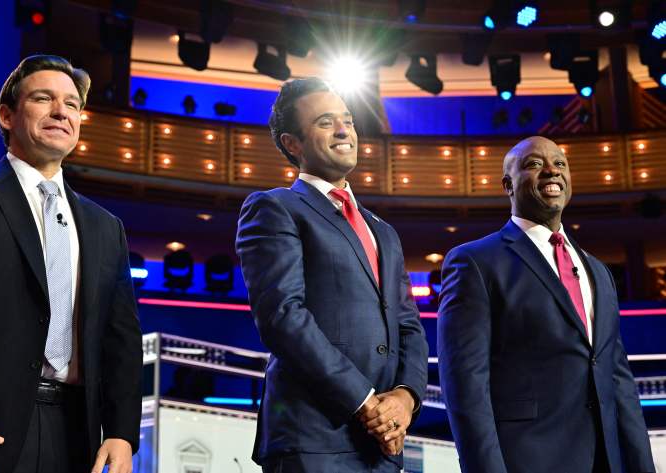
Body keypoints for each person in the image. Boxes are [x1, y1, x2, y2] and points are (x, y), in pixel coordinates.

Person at [0, 55, 142, 473]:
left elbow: (121, 341)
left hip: (74, 435)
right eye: (44, 98)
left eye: (72, 104)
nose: (61, 112)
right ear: (7, 115)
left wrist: (121, 432)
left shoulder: (104, 226)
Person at [235, 77, 428, 472]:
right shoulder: (275, 208)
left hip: (383, 445)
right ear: (293, 143)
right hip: (313, 440)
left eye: (348, 120)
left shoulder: (383, 231)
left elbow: (409, 326)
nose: (344, 130)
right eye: (326, 122)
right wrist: (366, 401)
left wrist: (404, 400)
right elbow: (284, 318)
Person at [438, 136, 654, 473]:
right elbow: (466, 386)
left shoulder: (598, 270)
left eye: (560, 163)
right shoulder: (475, 262)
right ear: (507, 185)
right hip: (527, 461)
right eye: (534, 164)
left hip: (608, 462)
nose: (552, 170)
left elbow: (617, 379)